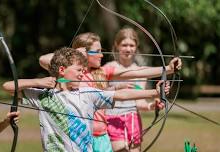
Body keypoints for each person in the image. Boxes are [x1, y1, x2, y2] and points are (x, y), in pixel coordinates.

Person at [3, 47, 170, 151]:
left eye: (84, 69)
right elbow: (8, 87)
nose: (83, 73)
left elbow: (121, 95)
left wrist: (154, 93)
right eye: (78, 69)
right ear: (62, 70)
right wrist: (38, 82)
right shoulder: (43, 96)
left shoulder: (87, 93)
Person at [39, 32, 182, 152]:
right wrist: (75, 54)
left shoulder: (103, 72)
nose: (102, 55)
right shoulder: (72, 75)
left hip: (101, 136)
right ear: (84, 52)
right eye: (98, 51)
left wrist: (168, 69)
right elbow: (43, 60)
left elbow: (136, 72)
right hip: (78, 136)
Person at [104, 27, 162, 151]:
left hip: (133, 121)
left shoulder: (141, 72)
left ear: (136, 47)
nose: (128, 49)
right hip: (113, 119)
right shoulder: (108, 68)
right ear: (117, 45)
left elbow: (139, 102)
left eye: (132, 45)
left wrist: (150, 106)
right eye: (124, 45)